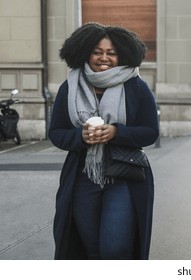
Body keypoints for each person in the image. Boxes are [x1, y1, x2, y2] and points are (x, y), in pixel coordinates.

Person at [49, 22, 159, 259]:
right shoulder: (70, 87)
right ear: (85, 53)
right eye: (97, 52)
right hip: (82, 177)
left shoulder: (136, 86)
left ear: (122, 55)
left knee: (115, 247)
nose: (104, 58)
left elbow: (151, 131)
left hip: (124, 175)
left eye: (111, 53)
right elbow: (56, 133)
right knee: (87, 247)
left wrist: (116, 132)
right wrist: (80, 136)